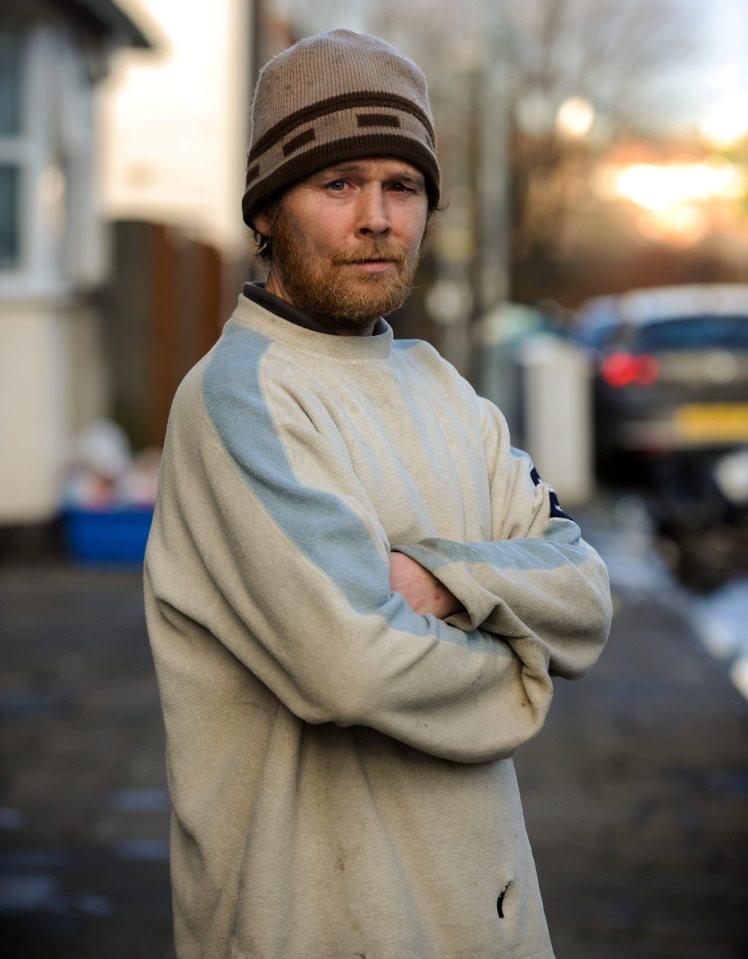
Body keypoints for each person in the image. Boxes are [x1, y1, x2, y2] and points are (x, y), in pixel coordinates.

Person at [144, 29, 612, 959]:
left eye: (402, 185)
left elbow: (588, 592)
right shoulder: (241, 399)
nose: (377, 218)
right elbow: (351, 663)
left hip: (490, 921)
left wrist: (437, 577)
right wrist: (523, 664)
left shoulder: (444, 390)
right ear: (268, 210)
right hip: (315, 922)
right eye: (337, 183)